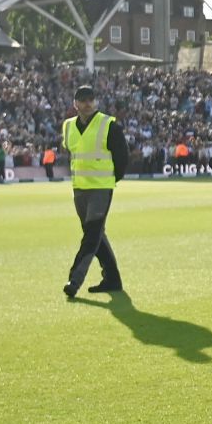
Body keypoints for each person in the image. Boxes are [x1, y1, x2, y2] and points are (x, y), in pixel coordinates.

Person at [62, 85, 127, 298]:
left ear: (96, 102)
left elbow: (122, 157)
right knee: (96, 235)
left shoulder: (109, 125)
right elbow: (71, 153)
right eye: (82, 100)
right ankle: (112, 279)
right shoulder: (68, 126)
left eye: (91, 99)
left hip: (100, 188)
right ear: (75, 104)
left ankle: (75, 278)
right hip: (80, 188)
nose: (87, 103)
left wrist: (110, 180)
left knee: (91, 235)